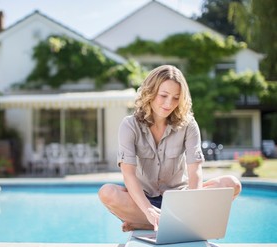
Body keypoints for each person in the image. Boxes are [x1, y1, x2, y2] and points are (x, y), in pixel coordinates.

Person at [98, 65, 241, 232]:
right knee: (107, 192)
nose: (169, 103)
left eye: (176, 98)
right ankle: (158, 220)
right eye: (164, 95)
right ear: (150, 93)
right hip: (144, 201)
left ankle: (145, 224)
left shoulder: (188, 124)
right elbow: (128, 174)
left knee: (232, 184)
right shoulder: (129, 125)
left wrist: (192, 205)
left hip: (182, 199)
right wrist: (148, 209)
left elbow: (195, 170)